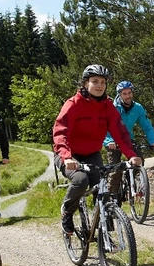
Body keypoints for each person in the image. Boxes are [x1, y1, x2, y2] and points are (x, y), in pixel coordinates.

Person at [52, 64, 140, 235]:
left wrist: (131, 155)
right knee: (80, 179)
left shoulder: (107, 106)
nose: (99, 85)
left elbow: (120, 133)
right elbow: (60, 131)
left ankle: (105, 235)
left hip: (92, 154)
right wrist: (67, 157)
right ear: (86, 83)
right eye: (95, 81)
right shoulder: (73, 104)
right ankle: (67, 211)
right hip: (69, 155)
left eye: (102, 82)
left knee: (103, 189)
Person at [104, 80, 154, 193]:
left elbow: (147, 126)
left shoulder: (137, 108)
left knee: (139, 160)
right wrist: (109, 141)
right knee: (115, 170)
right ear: (119, 95)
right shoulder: (112, 107)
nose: (128, 96)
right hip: (112, 140)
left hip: (127, 139)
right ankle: (112, 198)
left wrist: (153, 141)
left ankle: (132, 183)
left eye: (129, 93)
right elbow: (105, 126)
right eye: (124, 94)